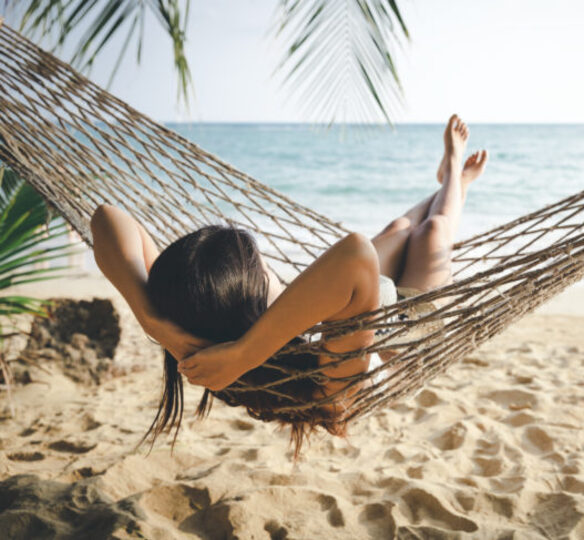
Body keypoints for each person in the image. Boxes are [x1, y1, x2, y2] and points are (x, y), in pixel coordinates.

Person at [91, 115, 488, 453]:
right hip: (399, 331)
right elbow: (355, 255)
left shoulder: (197, 328)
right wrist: (245, 353)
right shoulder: (326, 377)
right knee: (433, 230)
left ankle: (443, 186)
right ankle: (456, 179)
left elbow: (107, 218)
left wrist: (152, 322)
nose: (273, 271)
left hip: (356, 297)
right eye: (266, 272)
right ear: (253, 307)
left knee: (400, 228)